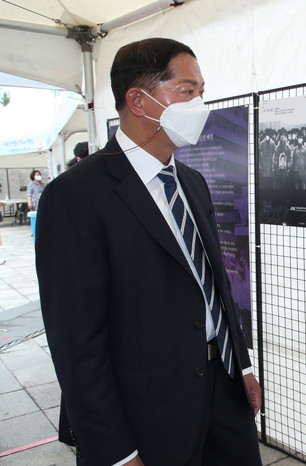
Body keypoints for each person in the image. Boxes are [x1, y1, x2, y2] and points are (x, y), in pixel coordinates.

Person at [35, 38, 262, 465]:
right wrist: (115, 452)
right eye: (187, 91)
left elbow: (212, 283)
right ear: (138, 101)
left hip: (224, 389)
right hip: (147, 411)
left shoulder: (191, 181)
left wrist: (243, 367)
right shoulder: (75, 196)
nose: (199, 105)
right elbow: (76, 342)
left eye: (201, 92)